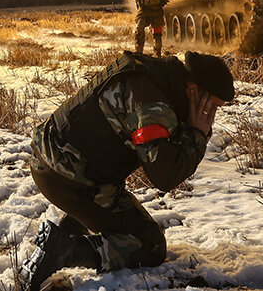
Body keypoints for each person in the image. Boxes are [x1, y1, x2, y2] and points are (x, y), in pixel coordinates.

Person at [17, 50, 234, 291]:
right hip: (69, 178)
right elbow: (165, 175)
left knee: (118, 218)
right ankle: (64, 251)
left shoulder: (154, 75)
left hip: (54, 165)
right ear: (194, 90)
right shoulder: (152, 104)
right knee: (150, 245)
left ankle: (65, 236)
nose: (211, 116)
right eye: (211, 106)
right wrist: (197, 134)